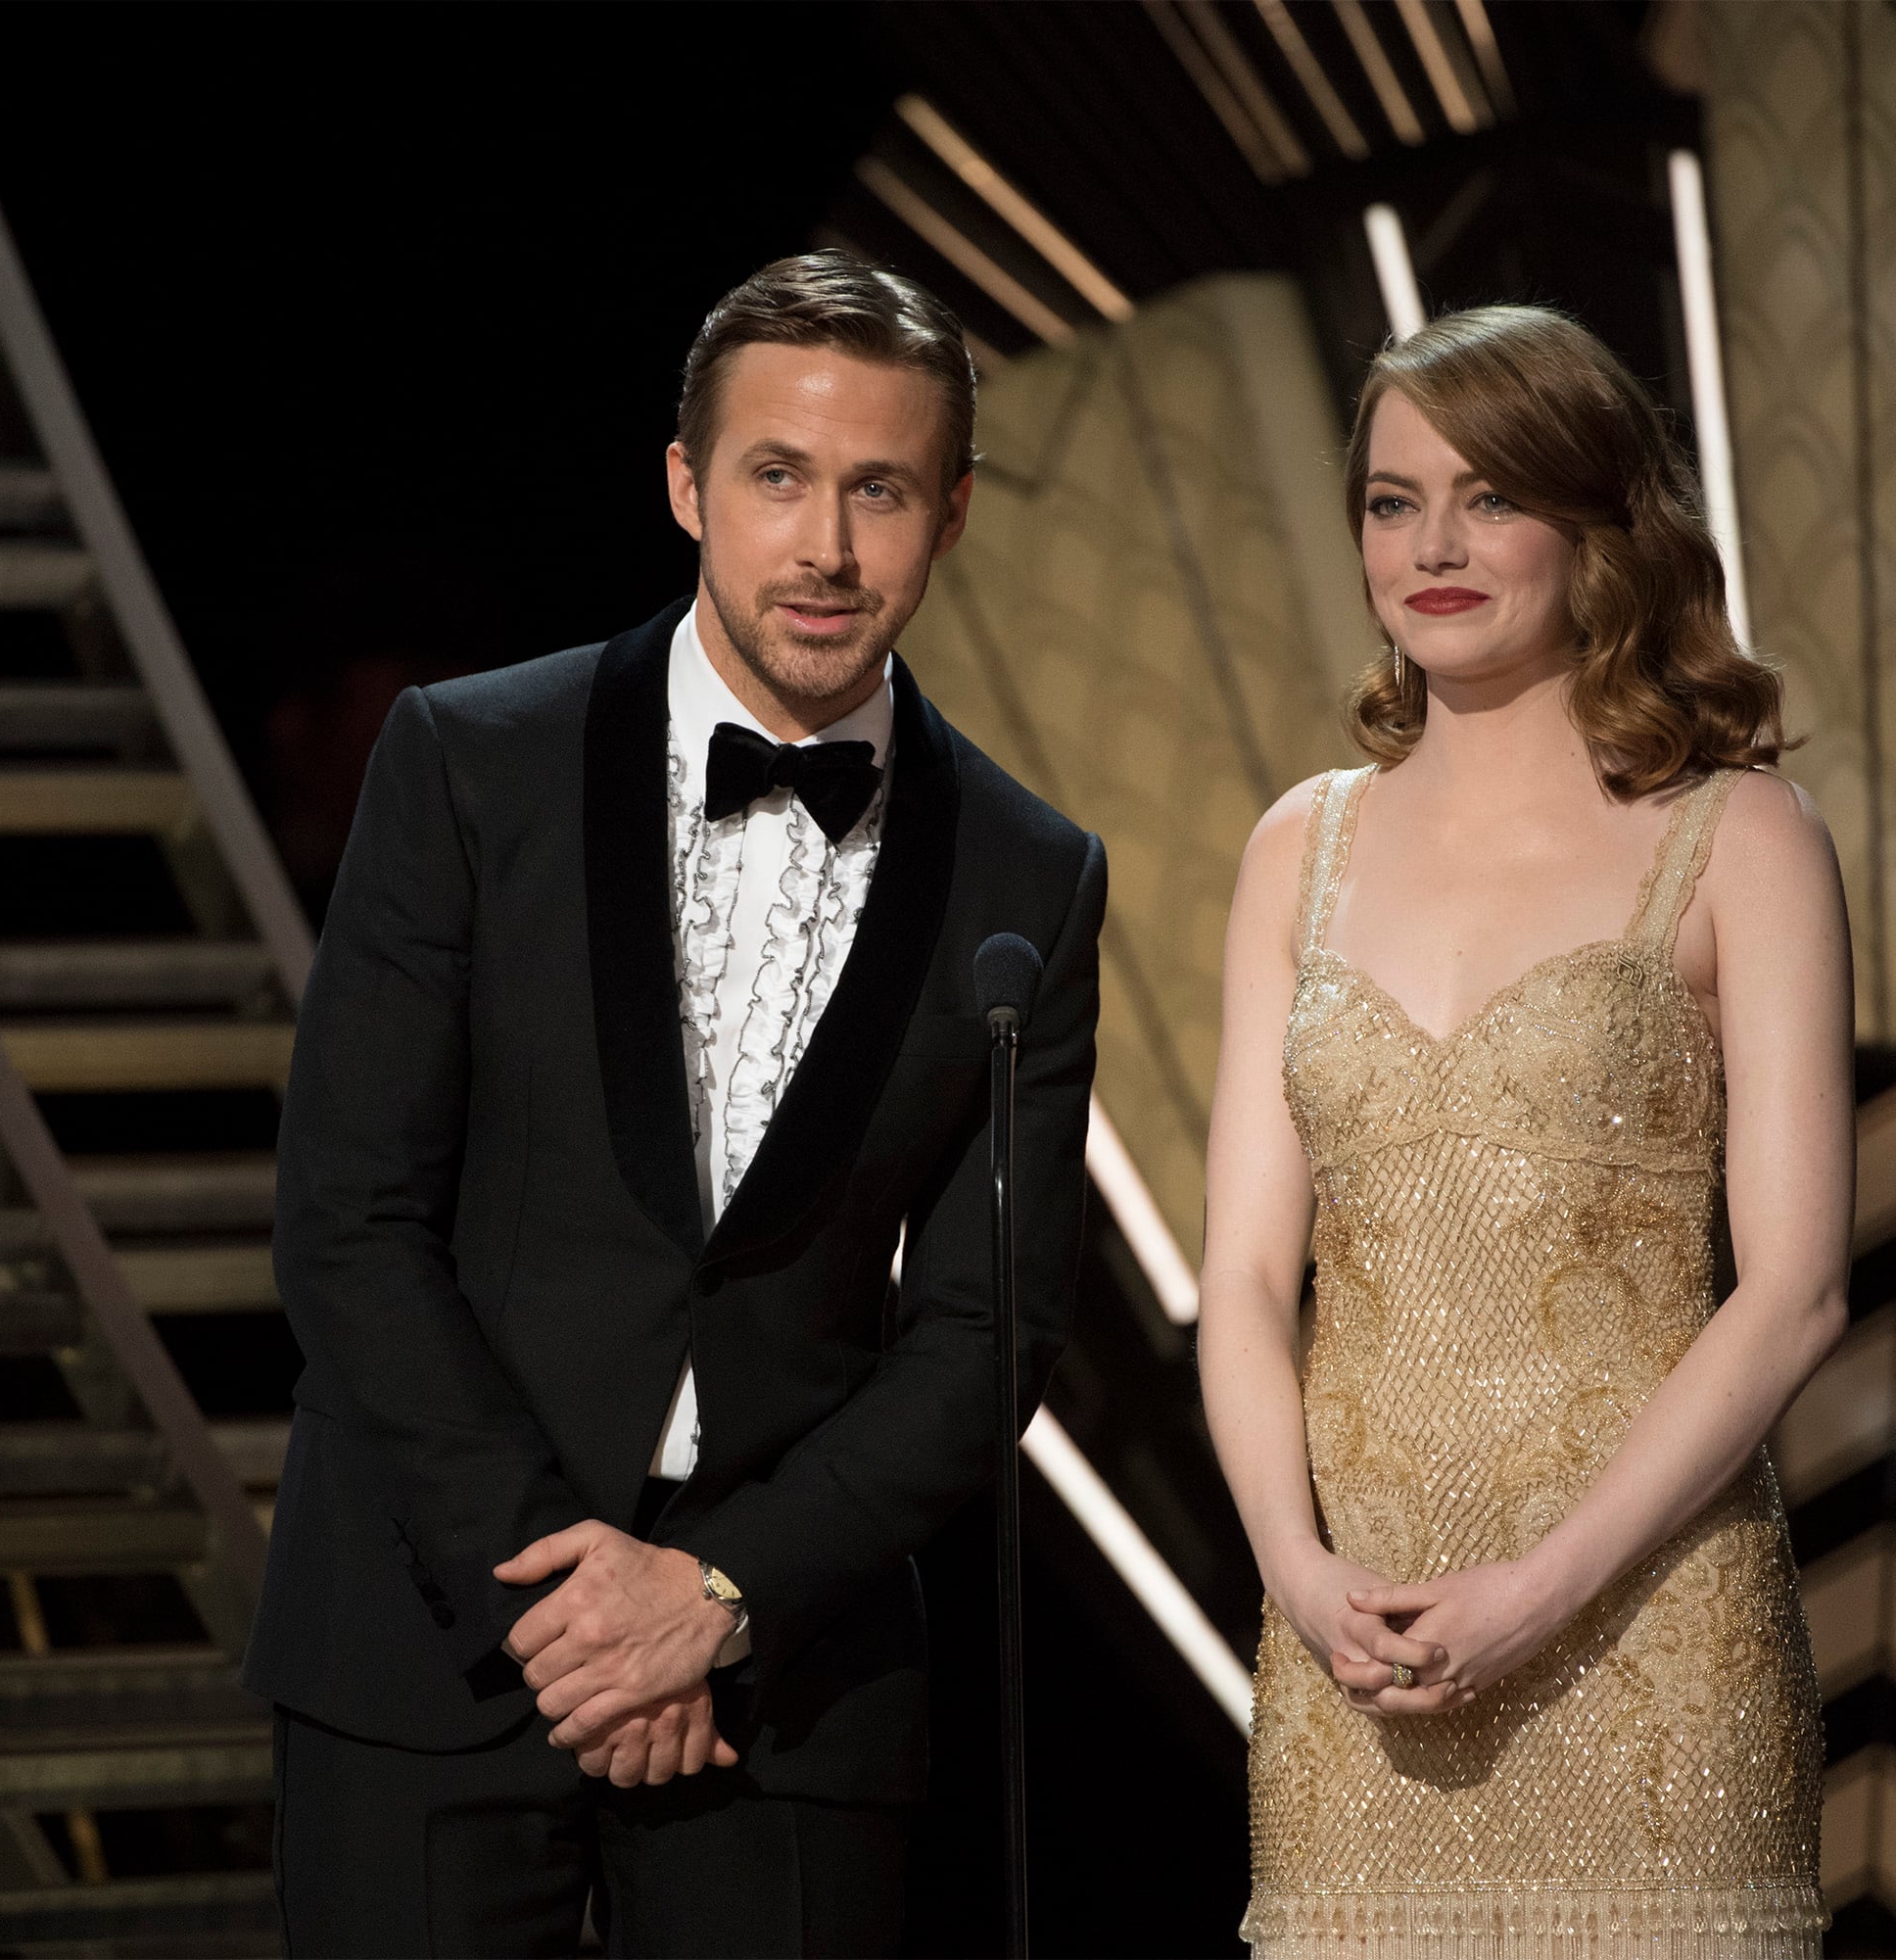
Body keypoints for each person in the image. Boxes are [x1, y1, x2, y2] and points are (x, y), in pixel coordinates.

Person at [240, 251, 1106, 1958]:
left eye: (880, 489)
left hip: (788, 1684)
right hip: (431, 1631)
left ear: (953, 512)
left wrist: (718, 1595)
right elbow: (349, 1217)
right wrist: (578, 1606)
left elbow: (987, 1330)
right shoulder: (468, 760)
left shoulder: (1032, 873)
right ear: (686, 484)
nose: (827, 547)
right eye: (779, 476)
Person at [1200, 304, 1850, 1958]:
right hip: (1354, 1668)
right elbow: (1247, 1281)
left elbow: (1796, 1293)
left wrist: (1541, 1588)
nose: (1432, 546)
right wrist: (1297, 1572)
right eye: (1393, 501)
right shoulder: (1298, 848)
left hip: (1653, 1654)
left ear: (1594, 524)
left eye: (1489, 497)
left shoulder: (1741, 835)